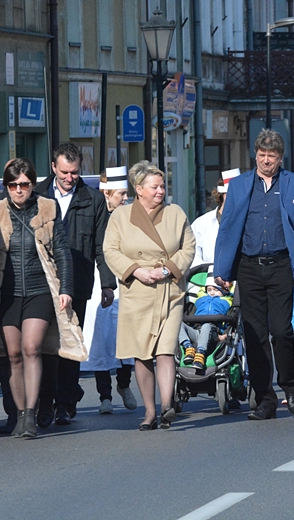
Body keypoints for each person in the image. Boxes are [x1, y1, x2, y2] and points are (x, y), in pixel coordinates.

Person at [214, 129, 294, 420]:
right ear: (255, 154)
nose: (266, 160)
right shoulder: (241, 185)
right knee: (254, 336)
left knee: (281, 332)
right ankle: (265, 399)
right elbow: (228, 226)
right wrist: (223, 269)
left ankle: (291, 388)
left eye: (272, 156)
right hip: (249, 267)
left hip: (281, 264)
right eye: (262, 155)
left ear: (280, 158)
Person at [0, 158, 76, 438]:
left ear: (33, 184)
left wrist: (66, 288)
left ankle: (31, 414)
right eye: (13, 185)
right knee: (12, 354)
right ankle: (19, 414)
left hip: (39, 290)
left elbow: (62, 252)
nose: (18, 190)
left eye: (24, 184)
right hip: (6, 293)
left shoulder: (47, 208)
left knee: (32, 348)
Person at [103, 161, 195, 430]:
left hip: (170, 291)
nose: (160, 191)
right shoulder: (120, 217)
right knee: (141, 353)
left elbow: (188, 246)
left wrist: (168, 269)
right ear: (139, 189)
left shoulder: (176, 213)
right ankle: (149, 411)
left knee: (165, 349)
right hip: (137, 291)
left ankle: (167, 405)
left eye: (163, 186)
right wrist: (135, 271)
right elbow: (111, 250)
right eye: (154, 187)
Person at [35, 143, 117, 427]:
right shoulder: (38, 195)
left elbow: (101, 246)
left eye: (75, 172)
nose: (70, 178)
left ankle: (65, 405)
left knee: (70, 346)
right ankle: (44, 403)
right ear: (54, 168)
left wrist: (107, 284)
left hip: (78, 282)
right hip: (41, 283)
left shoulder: (92, 199)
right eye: (65, 172)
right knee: (46, 346)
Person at [82, 166, 137, 415]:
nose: (125, 198)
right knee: (101, 340)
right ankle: (105, 395)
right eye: (121, 194)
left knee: (125, 336)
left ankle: (124, 385)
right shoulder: (94, 214)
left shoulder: (130, 216)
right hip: (97, 282)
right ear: (107, 193)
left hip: (126, 280)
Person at [191, 169, 239, 267]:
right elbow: (193, 256)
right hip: (208, 279)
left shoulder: (249, 221)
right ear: (222, 195)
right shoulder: (202, 224)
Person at [180, 280, 232, 370]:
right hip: (196, 331)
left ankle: (200, 355)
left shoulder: (227, 301)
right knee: (177, 325)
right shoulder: (200, 299)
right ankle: (188, 347)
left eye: (216, 290)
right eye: (209, 289)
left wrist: (227, 334)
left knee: (206, 326)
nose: (212, 293)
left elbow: (232, 318)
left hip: (213, 331)